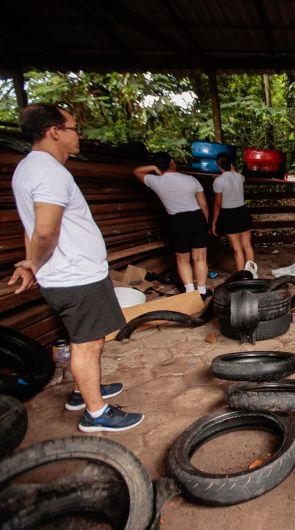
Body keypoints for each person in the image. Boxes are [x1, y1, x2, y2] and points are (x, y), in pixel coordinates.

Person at [10, 103, 143, 432]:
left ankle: (82, 392)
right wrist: (32, 261)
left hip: (67, 273)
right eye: (73, 128)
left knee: (82, 338)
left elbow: (33, 229)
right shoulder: (48, 172)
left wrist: (34, 264)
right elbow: (43, 230)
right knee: (88, 344)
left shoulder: (30, 168)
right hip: (75, 275)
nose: (78, 134)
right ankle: (96, 414)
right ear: (54, 131)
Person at [134, 152, 211, 296]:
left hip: (178, 221)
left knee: (183, 259)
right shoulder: (191, 179)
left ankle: (190, 292)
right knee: (200, 257)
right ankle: (202, 291)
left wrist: (153, 168)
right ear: (171, 163)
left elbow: (136, 171)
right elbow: (204, 205)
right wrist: (205, 223)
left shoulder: (155, 181)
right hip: (197, 218)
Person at [211, 153, 257, 275]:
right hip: (242, 211)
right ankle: (252, 273)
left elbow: (217, 204)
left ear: (217, 165)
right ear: (231, 164)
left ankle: (242, 276)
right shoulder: (240, 177)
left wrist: (214, 222)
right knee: (247, 245)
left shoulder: (218, 181)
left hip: (229, 214)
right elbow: (234, 172)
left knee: (237, 249)